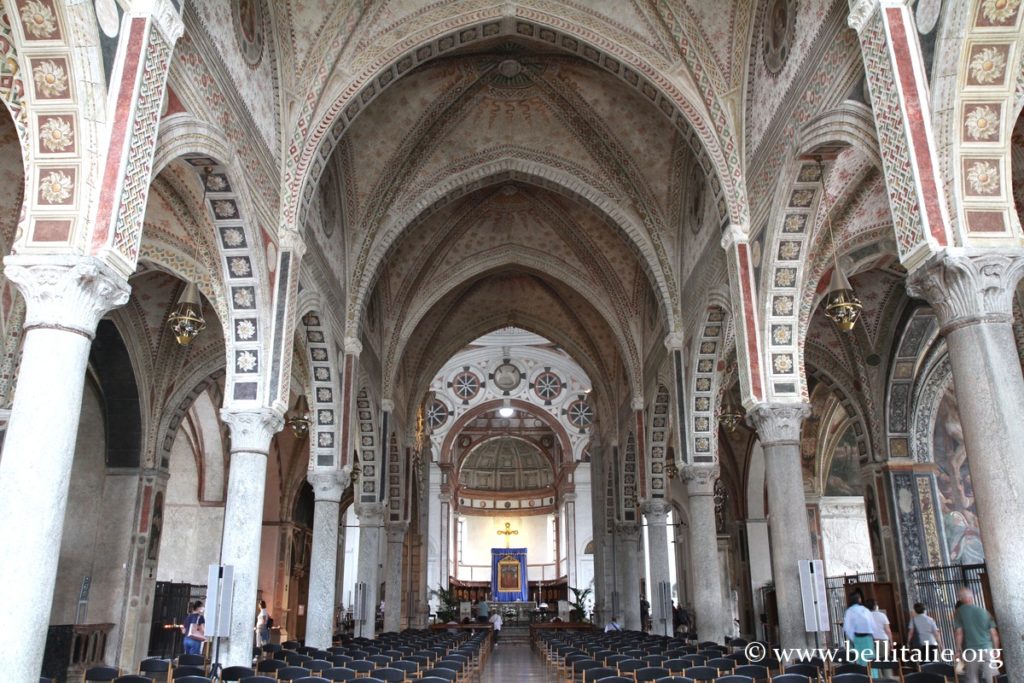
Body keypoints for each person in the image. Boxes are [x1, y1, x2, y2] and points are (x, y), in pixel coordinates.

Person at [954, 587, 1000, 683]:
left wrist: (958, 650)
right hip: (987, 649)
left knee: (972, 678)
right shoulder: (984, 612)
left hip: (971, 651)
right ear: (972, 597)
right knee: (990, 678)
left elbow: (959, 633)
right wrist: (996, 649)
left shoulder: (959, 612)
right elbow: (994, 634)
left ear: (961, 598)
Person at [843, 593, 875, 666]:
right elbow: (872, 624)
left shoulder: (849, 611)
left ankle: (863, 675)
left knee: (860, 659)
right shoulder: (865, 610)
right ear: (859, 599)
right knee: (870, 659)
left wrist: (852, 638)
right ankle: (873, 676)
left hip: (857, 637)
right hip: (868, 637)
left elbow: (847, 627)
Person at [865, 597, 892, 666]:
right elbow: (888, 631)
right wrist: (891, 642)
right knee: (885, 662)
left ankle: (878, 676)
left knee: (875, 664)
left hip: (871, 641)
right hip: (883, 640)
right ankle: (887, 676)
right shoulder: (882, 615)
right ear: (875, 606)